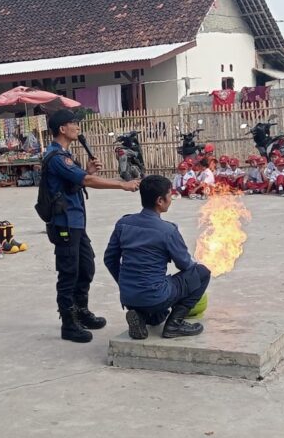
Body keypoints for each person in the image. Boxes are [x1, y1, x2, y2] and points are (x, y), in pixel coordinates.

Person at [41, 109, 140, 344]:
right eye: (73, 123)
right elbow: (86, 181)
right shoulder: (57, 157)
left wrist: (87, 171)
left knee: (86, 267)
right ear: (62, 129)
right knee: (69, 272)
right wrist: (122, 185)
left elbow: (78, 179)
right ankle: (69, 322)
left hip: (75, 222)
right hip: (64, 223)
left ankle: (81, 311)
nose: (77, 126)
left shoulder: (65, 154)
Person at [103, 175, 211, 340]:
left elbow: (109, 259)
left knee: (159, 315)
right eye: (169, 195)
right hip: (155, 295)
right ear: (160, 201)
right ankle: (175, 324)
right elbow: (185, 265)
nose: (171, 198)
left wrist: (125, 283)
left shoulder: (123, 224)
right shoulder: (167, 230)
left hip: (128, 296)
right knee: (202, 272)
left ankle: (141, 316)